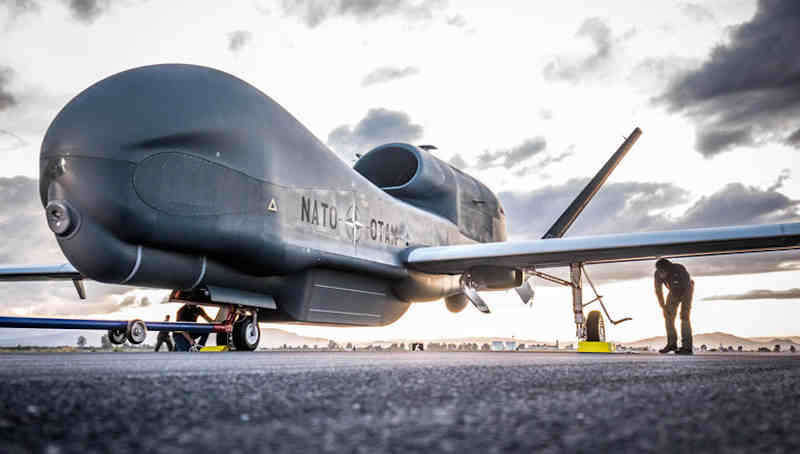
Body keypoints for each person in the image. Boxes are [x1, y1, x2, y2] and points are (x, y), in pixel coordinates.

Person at [654, 258, 694, 355]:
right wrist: (663, 306)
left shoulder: (679, 269)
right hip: (673, 291)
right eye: (660, 271)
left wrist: (685, 307)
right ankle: (671, 344)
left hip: (686, 289)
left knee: (684, 316)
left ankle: (687, 347)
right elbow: (658, 290)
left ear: (668, 268)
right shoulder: (657, 274)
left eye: (663, 271)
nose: (661, 274)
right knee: (668, 316)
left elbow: (687, 286)